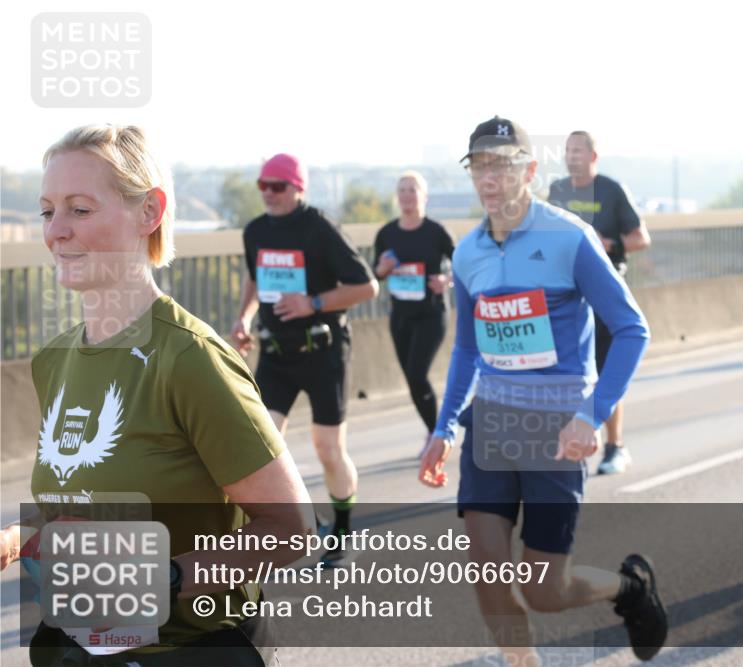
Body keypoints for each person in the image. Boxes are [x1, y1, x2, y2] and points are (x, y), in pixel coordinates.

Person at [0, 125, 313, 665]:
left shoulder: (190, 356)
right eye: (47, 211)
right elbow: (84, 503)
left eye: (80, 209)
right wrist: (14, 536)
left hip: (191, 650)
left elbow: (293, 529)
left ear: (149, 212)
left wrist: (162, 576)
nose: (56, 232)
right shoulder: (54, 360)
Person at [418, 117, 666, 664]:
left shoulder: (568, 238)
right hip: (492, 422)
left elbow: (631, 329)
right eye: (480, 165)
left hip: (556, 428)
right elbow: (466, 350)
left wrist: (592, 414)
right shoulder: (467, 254)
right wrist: (446, 426)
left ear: (529, 170)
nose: (490, 177)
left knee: (543, 591)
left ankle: (628, 588)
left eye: (503, 164)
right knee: (485, 570)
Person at [229, 153, 378, 565]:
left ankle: (342, 526)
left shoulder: (319, 227)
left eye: (278, 186)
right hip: (276, 353)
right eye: (263, 186)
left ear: (299, 189)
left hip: (324, 350)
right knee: (260, 444)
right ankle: (292, 523)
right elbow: (255, 279)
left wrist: (312, 302)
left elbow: (366, 287)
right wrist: (243, 318)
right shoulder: (256, 231)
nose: (269, 194)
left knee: (328, 449)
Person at [548, 131, 651, 475]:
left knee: (606, 372)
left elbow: (641, 238)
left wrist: (609, 246)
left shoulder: (611, 190)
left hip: (602, 294)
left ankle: (614, 446)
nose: (570, 156)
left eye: (577, 151)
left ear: (593, 156)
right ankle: (565, 440)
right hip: (565, 296)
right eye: (567, 151)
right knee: (571, 374)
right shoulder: (557, 192)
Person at [373, 172, 455, 454]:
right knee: (411, 378)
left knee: (418, 373)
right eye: (402, 190)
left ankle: (436, 433)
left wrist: (447, 281)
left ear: (424, 196)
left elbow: (460, 265)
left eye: (413, 190)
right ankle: (434, 431)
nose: (407, 196)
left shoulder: (436, 232)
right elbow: (376, 272)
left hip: (432, 313)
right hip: (401, 315)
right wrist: (381, 270)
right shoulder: (386, 234)